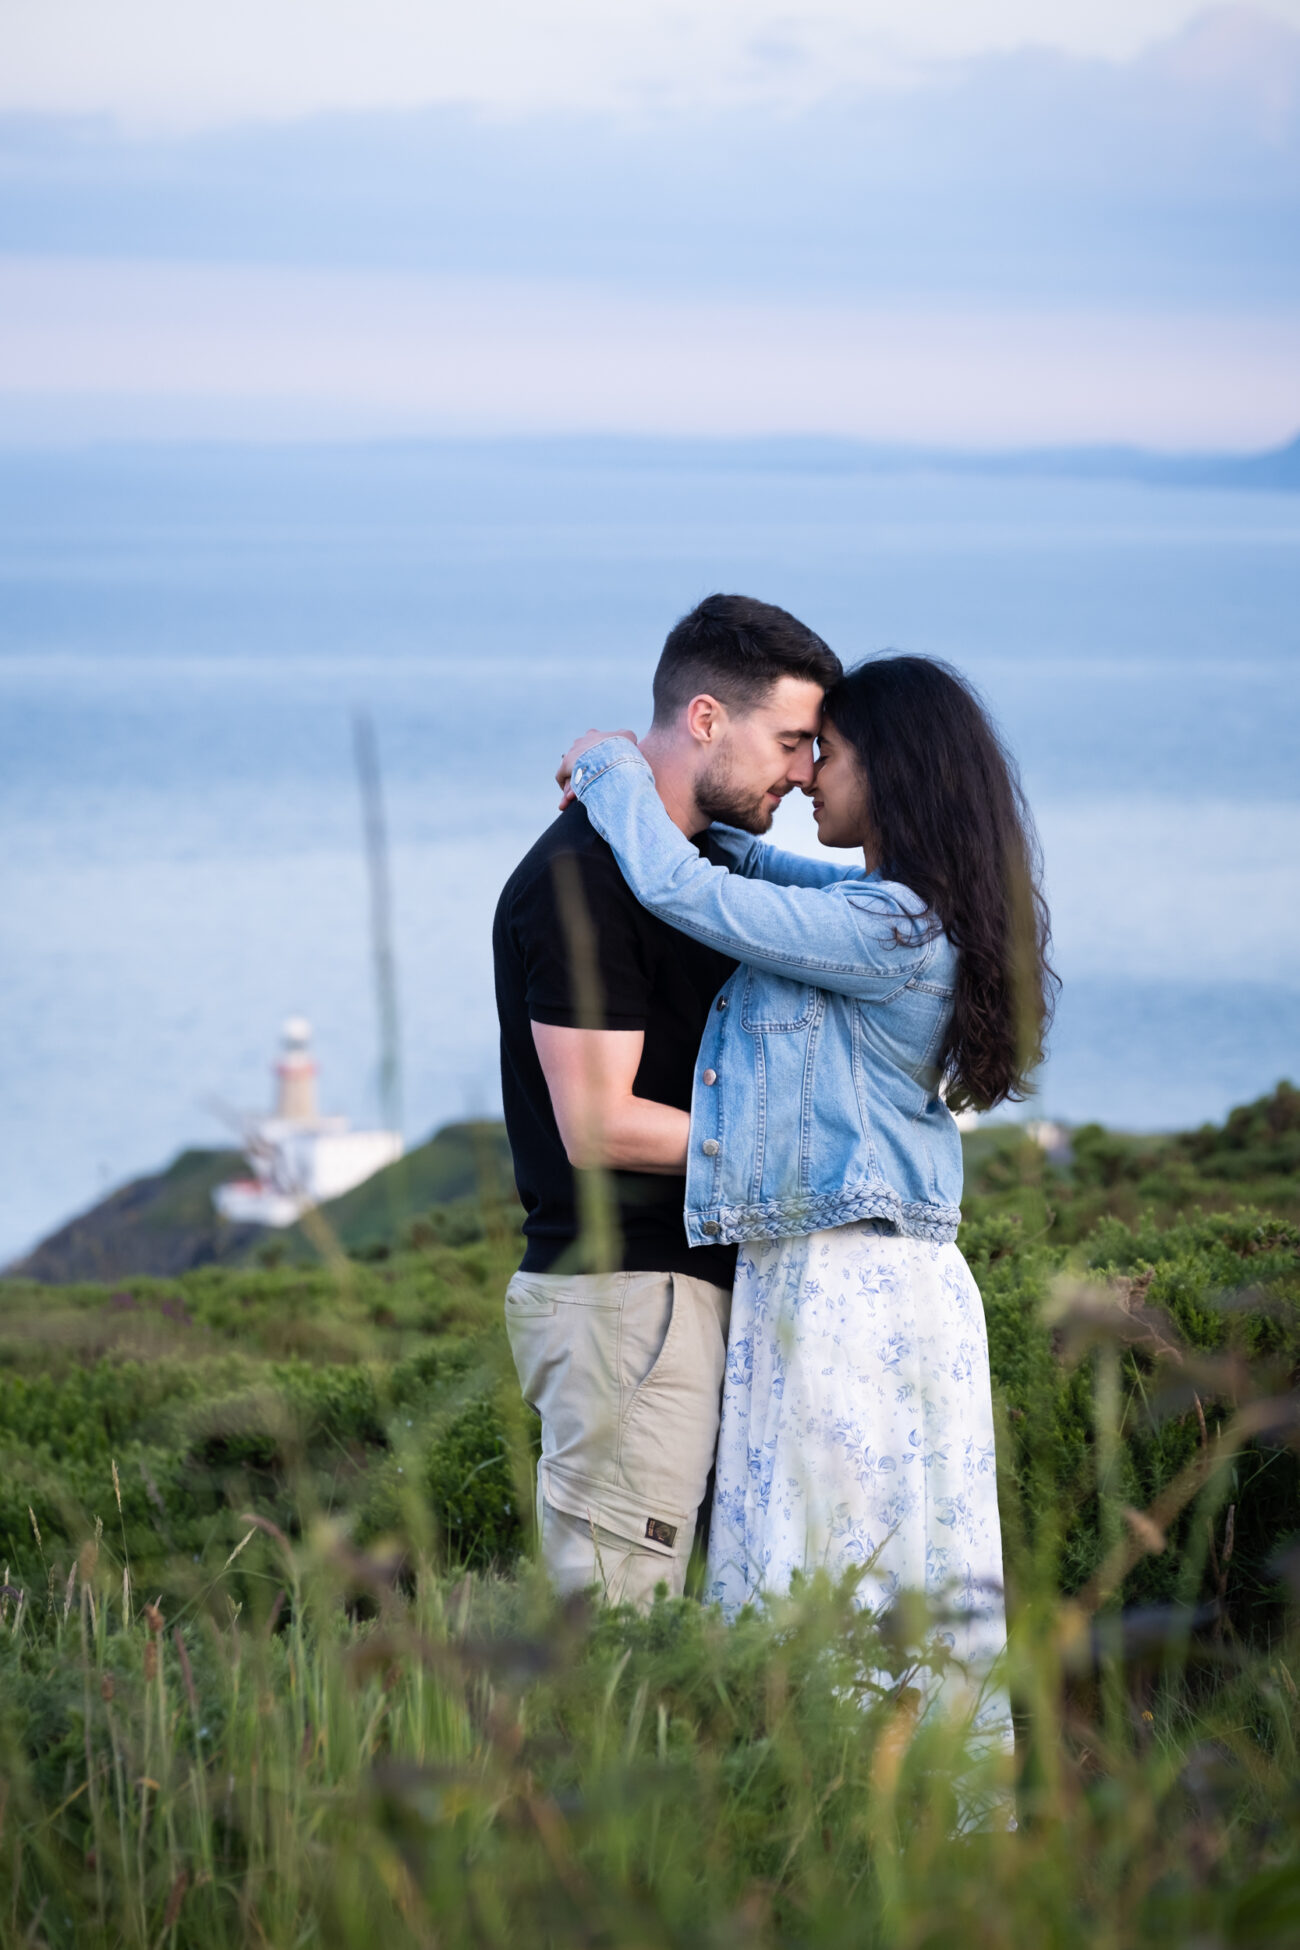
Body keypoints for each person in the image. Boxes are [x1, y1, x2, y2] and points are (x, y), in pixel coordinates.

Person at [558, 656, 1054, 1750]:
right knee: (863, 1566)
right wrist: (698, 822)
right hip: (848, 1280)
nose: (811, 776)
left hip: (850, 1292)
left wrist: (609, 774)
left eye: (831, 754)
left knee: (833, 1569)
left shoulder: (890, 934)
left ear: (896, 772)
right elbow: (752, 878)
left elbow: (691, 899)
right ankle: (882, 1831)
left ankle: (842, 1812)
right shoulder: (897, 912)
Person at [492, 593, 842, 1606]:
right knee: (614, 1630)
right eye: (789, 740)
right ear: (703, 719)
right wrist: (810, 1162)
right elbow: (600, 1125)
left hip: (673, 1299)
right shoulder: (585, 880)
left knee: (680, 1625)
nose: (802, 771)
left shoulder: (680, 870)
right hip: (627, 1304)